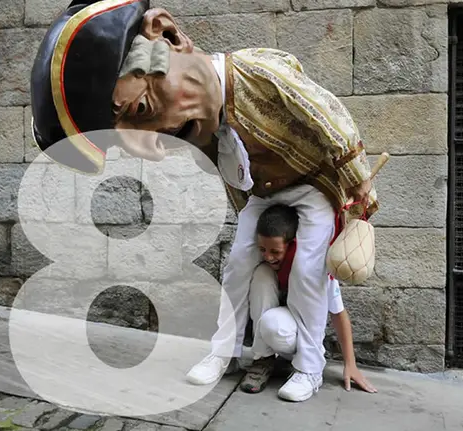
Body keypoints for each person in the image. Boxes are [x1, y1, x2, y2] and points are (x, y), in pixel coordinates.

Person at [29, 0, 380, 402]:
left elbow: (328, 116)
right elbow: (237, 178)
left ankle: (310, 368)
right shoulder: (207, 129)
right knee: (235, 268)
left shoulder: (257, 74)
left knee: (307, 272)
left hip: (312, 186)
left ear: (167, 34)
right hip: (264, 196)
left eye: (142, 109)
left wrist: (360, 188)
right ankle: (223, 352)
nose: (156, 150)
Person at [241, 204, 376, 400]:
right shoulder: (266, 266)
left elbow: (339, 314)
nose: (268, 257)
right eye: (262, 249)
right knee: (262, 273)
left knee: (271, 323)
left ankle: (306, 368)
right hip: (274, 336)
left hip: (294, 338)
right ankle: (263, 360)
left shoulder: (313, 270)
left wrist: (351, 364)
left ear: (292, 244)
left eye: (275, 251)